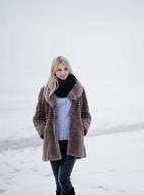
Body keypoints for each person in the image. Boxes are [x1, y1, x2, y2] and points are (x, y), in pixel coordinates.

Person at [33, 56, 91, 195]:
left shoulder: (78, 89)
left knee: (63, 179)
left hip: (73, 142)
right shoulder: (46, 91)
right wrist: (44, 132)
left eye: (65, 69)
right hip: (54, 143)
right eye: (59, 69)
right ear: (54, 71)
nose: (63, 72)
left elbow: (86, 114)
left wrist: (82, 129)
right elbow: (38, 118)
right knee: (58, 184)